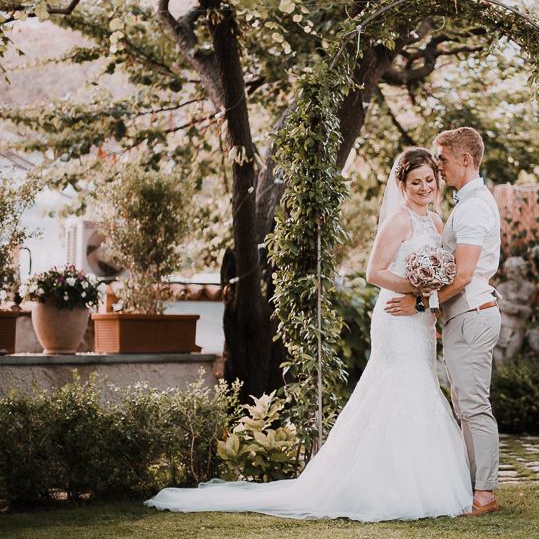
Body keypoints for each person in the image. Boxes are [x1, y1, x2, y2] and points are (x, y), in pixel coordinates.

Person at [145, 147, 472, 521]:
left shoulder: (435, 221)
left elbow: (444, 274)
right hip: (397, 317)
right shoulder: (398, 222)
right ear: (402, 183)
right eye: (416, 182)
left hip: (419, 320)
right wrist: (416, 291)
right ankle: (385, 486)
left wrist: (428, 296)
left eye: (429, 180)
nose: (424, 187)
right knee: (397, 384)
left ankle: (424, 480)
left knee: (422, 383)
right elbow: (373, 272)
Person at [387, 127, 502, 516]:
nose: (438, 167)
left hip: (471, 314)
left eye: (443, 159)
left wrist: (422, 302)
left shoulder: (471, 207)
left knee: (473, 405)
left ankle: (484, 492)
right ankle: (473, 484)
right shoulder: (466, 203)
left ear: (465, 159)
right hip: (463, 316)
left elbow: (465, 273)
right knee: (464, 404)